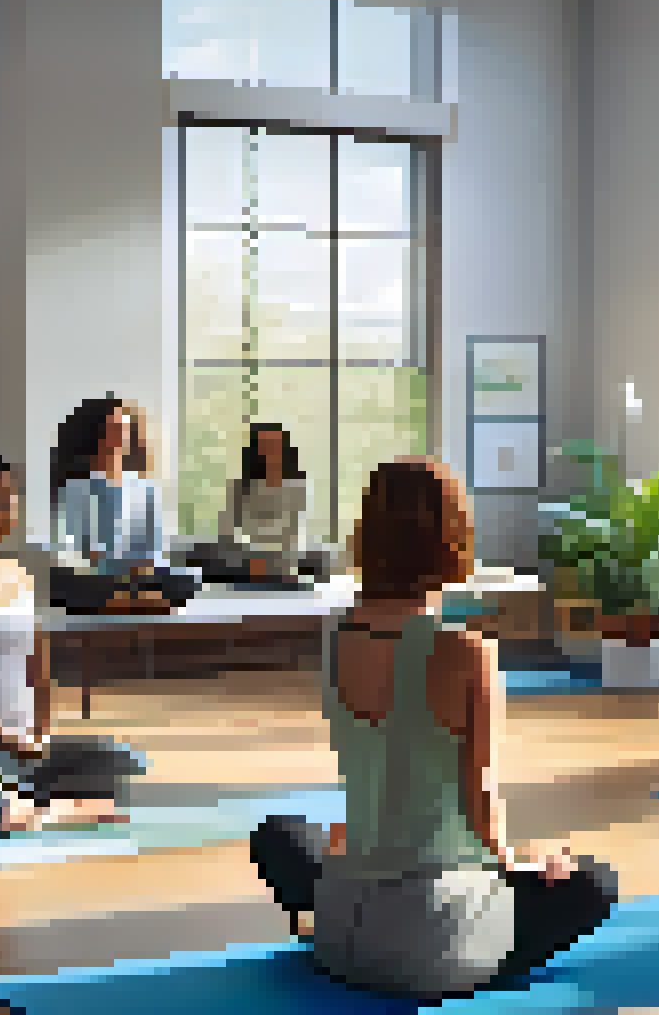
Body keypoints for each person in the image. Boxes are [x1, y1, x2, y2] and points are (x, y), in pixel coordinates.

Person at [250, 458, 619, 998]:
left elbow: (381, 760)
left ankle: (323, 921)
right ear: (452, 539)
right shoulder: (467, 651)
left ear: (367, 532)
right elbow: (480, 797)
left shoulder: (334, 635)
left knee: (280, 834)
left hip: (339, 937)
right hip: (430, 946)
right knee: (593, 883)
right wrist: (520, 865)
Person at [0, 451, 149, 833]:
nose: (14, 508)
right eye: (2, 500)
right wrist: (9, 740)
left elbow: (39, 666)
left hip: (26, 748)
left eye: (14, 498)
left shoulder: (20, 576)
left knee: (123, 759)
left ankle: (33, 801)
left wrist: (41, 731)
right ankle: (58, 809)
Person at [50, 396, 168, 578]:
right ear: (97, 433)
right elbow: (72, 555)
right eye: (114, 427)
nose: (121, 433)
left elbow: (153, 554)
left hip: (141, 584)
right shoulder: (75, 492)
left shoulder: (145, 490)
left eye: (123, 426)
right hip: (93, 586)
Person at [202, 422, 330, 582]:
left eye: (276, 445)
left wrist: (288, 562)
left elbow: (304, 532)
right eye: (266, 446)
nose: (272, 451)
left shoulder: (298, 487)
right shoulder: (240, 488)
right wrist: (248, 559)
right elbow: (226, 532)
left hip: (288, 567)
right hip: (247, 566)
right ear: (256, 450)